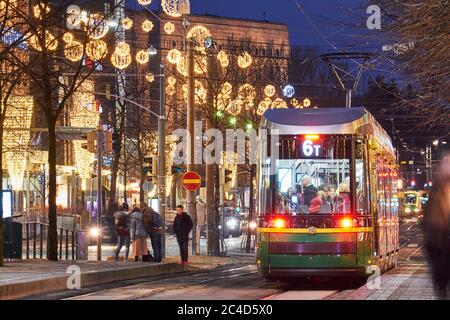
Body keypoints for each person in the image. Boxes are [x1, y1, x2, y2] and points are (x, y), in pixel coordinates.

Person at [423, 154, 450, 299]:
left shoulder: (436, 192)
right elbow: (429, 224)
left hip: (440, 252)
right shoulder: (437, 193)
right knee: (442, 287)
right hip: (441, 253)